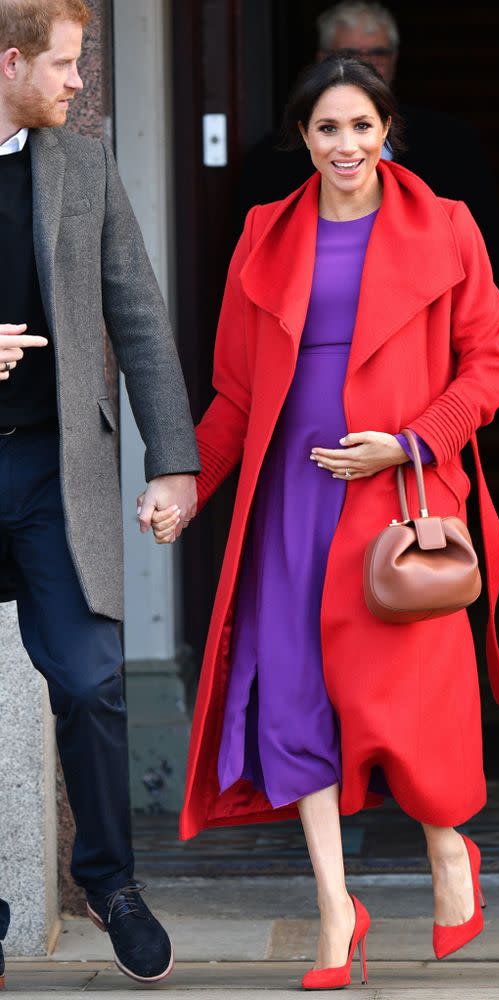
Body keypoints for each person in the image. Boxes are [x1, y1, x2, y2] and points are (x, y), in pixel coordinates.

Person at [153, 55, 499, 990]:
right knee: (295, 699)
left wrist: (410, 443)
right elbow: (236, 394)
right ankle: (334, 909)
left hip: (398, 499)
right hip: (291, 501)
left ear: (386, 129)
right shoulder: (263, 236)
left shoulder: (445, 226)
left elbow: (491, 364)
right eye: (327, 129)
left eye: (362, 126)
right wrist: (189, 480)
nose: (345, 145)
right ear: (303, 139)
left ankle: (449, 853)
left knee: (401, 699)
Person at [0, 0, 200, 985]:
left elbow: (138, 309)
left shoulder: (79, 164)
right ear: (11, 63)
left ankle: (110, 883)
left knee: (90, 678)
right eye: (66, 65)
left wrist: (174, 459)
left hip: (49, 466)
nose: (79, 83)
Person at [238, 1, 499, 288]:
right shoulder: (269, 163)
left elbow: (484, 267)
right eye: (350, 54)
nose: (365, 64)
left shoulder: (454, 146)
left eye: (378, 53)